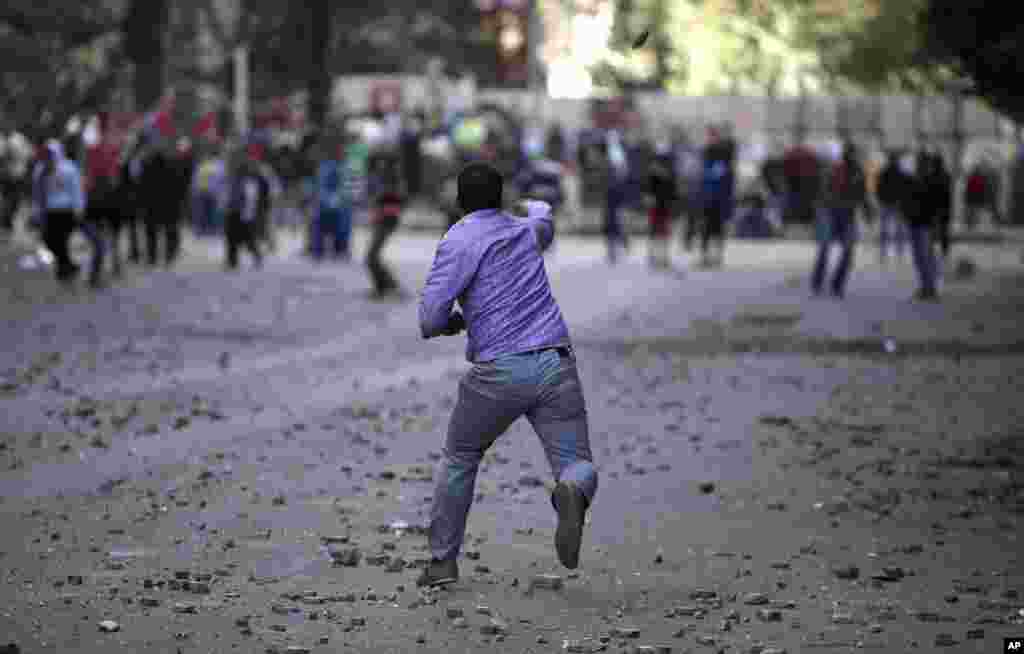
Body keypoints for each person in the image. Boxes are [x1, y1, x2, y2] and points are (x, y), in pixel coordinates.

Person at [416, 162, 597, 588]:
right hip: (555, 361)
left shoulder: (458, 240)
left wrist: (453, 322)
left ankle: (442, 562)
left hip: (498, 370)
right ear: (499, 199)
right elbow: (543, 217)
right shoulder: (523, 230)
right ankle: (570, 492)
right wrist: (529, 203)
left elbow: (429, 318)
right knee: (577, 464)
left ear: (459, 201)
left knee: (461, 457)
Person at [811, 142, 867, 299]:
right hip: (830, 212)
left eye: (855, 154)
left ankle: (837, 284)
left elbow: (861, 194)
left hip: (846, 214)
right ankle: (818, 281)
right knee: (825, 248)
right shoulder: (836, 169)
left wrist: (866, 209)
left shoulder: (858, 172)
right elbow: (824, 190)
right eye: (851, 153)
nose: (854, 157)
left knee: (847, 251)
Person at [33, 139, 87, 284]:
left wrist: (79, 208)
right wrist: (37, 210)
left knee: (61, 240)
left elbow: (76, 189)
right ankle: (68, 266)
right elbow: (38, 192)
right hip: (50, 211)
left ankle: (64, 270)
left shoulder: (69, 168)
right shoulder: (40, 170)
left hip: (66, 210)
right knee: (50, 240)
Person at [905, 151, 945, 301]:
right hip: (915, 223)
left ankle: (930, 288)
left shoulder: (932, 181)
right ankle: (925, 286)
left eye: (922, 163)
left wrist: (936, 223)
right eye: (919, 163)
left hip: (925, 224)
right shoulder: (914, 180)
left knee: (925, 256)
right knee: (919, 258)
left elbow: (937, 205)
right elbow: (908, 200)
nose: (920, 165)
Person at [365, 148, 405, 297]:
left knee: (371, 257)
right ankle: (383, 287)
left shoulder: (392, 180)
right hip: (384, 220)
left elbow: (395, 201)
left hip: (386, 221)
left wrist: (380, 206)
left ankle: (389, 285)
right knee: (371, 257)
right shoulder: (387, 179)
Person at [223, 147, 266, 271]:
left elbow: (251, 195)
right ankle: (232, 261)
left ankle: (256, 256)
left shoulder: (249, 175)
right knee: (231, 238)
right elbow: (230, 191)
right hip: (233, 209)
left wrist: (248, 212)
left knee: (247, 238)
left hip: (242, 211)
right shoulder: (233, 174)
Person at [699, 126, 736, 267]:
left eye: (712, 137)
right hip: (708, 196)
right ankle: (706, 256)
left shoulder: (722, 154)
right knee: (706, 228)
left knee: (717, 228)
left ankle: (717, 257)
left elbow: (724, 175)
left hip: (719, 196)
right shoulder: (706, 152)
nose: (709, 139)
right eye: (708, 137)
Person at [312, 135, 353, 261]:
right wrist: (328, 199)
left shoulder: (347, 166)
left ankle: (340, 248)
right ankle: (319, 249)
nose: (343, 153)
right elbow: (321, 184)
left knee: (342, 225)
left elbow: (350, 185)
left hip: (340, 202)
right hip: (328, 201)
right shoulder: (326, 166)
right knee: (321, 224)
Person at [876, 150, 911, 263]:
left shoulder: (883, 172)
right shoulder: (902, 173)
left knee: (885, 229)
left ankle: (883, 252)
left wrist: (881, 199)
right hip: (898, 204)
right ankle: (899, 252)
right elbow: (907, 189)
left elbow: (879, 188)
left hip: (887, 203)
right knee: (899, 229)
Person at [646, 144, 677, 268]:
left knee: (663, 231)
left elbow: (672, 187)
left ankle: (662, 256)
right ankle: (654, 254)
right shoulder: (653, 169)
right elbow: (649, 186)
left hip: (664, 204)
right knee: (655, 230)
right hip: (656, 204)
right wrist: (648, 196)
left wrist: (672, 201)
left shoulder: (669, 170)